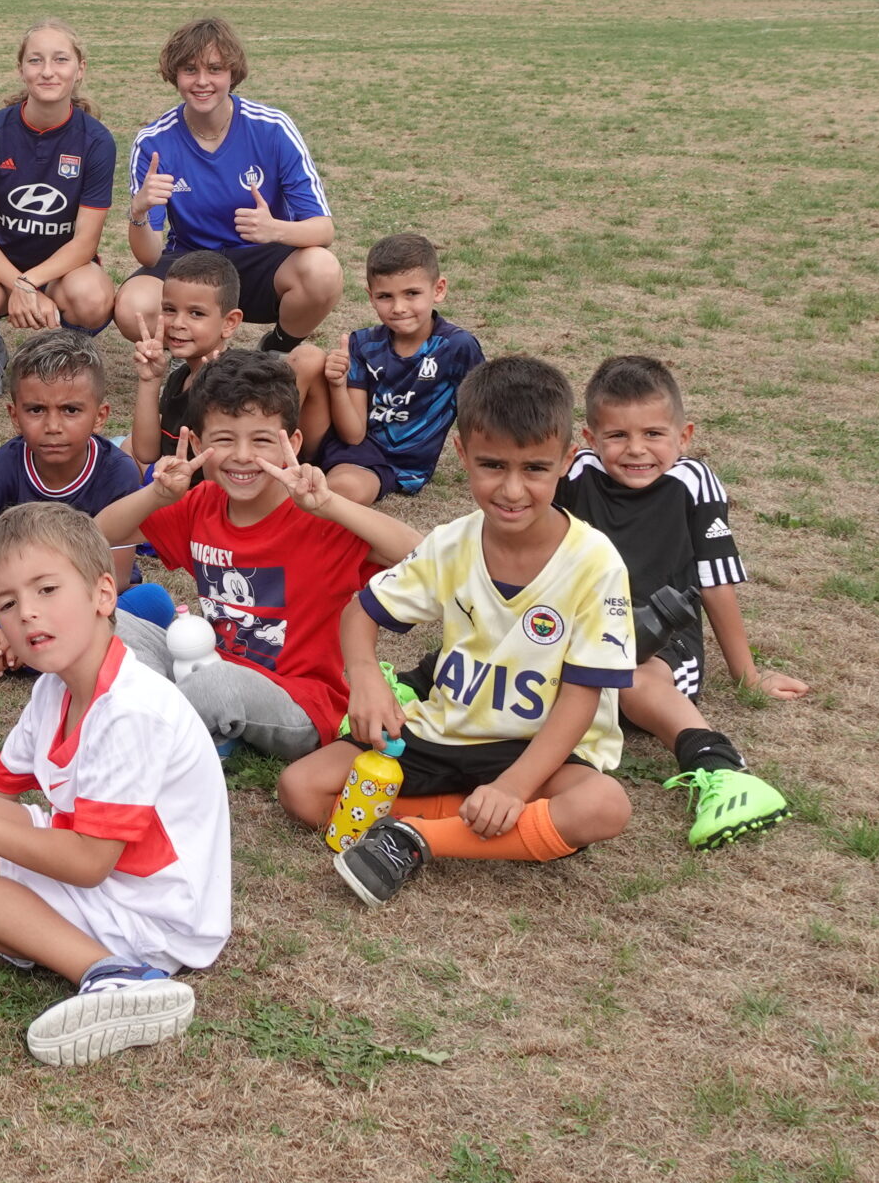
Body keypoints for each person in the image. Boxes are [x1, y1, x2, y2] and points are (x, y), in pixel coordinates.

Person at [278, 357, 635, 908]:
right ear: (463, 454)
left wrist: (515, 787)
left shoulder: (595, 563)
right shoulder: (453, 542)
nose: (512, 489)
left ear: (568, 459)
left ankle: (415, 838)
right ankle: (473, 821)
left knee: (603, 806)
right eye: (492, 465)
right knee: (301, 789)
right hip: (444, 732)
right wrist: (365, 678)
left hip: (537, 750)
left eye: (535, 469)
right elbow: (360, 612)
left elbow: (582, 699)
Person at [0, 504, 230, 1067]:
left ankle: (115, 975)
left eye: (46, 590)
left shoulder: (132, 710)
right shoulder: (55, 689)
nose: (27, 614)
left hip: (156, 912)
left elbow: (89, 862)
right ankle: (30, 934)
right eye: (7, 603)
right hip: (103, 869)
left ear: (102, 595)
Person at [98, 352, 415, 760]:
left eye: (262, 439)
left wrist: (332, 505)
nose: (243, 456)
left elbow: (425, 556)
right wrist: (156, 494)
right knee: (105, 620)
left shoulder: (318, 519)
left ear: (292, 444)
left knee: (212, 687)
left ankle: (160, 722)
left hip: (298, 700)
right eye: (224, 439)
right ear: (197, 443)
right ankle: (189, 719)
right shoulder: (202, 502)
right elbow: (101, 534)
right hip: (210, 661)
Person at [558, 356, 801, 849]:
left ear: (684, 435)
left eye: (653, 434)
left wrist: (746, 674)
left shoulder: (692, 482)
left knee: (630, 677)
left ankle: (720, 769)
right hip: (577, 628)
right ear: (588, 438)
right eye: (617, 436)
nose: (636, 450)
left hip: (661, 640)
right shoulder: (575, 473)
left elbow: (715, 583)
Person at [115, 16, 339, 357]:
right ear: (174, 74)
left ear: (232, 74)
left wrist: (275, 229)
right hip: (190, 262)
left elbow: (323, 229)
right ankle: (188, 356)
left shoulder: (273, 128)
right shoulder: (153, 142)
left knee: (323, 270)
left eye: (215, 69)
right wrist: (139, 212)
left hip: (262, 260)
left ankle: (277, 349)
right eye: (190, 69)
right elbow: (149, 255)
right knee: (133, 306)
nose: (202, 81)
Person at [0, 330, 147, 674]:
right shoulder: (4, 465)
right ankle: (21, 648)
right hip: (21, 598)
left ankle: (3, 654)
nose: (53, 426)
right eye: (36, 410)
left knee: (150, 605)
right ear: (15, 415)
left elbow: (114, 579)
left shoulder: (117, 470)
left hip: (92, 599)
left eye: (71, 409)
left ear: (100, 415)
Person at [0, 18, 120, 397]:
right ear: (21, 69)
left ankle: (69, 355)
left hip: (63, 270)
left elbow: (85, 242)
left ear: (79, 69)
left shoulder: (97, 141)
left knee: (93, 298)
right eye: (36, 61)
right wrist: (18, 283)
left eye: (60, 60)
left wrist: (32, 283)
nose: (48, 72)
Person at [316, 234, 485, 507]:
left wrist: (489, 465)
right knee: (305, 357)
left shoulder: (456, 348)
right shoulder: (363, 344)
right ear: (371, 297)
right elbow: (353, 435)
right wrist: (337, 385)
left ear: (439, 289)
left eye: (412, 294)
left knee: (343, 491)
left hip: (399, 467)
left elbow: (481, 413)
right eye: (385, 296)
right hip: (352, 449)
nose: (399, 308)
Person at [127, 251, 244, 470]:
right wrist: (150, 381)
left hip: (205, 497)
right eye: (170, 309)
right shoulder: (180, 377)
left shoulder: (232, 384)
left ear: (229, 322)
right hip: (173, 484)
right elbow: (146, 453)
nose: (178, 323)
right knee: (126, 448)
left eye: (196, 313)